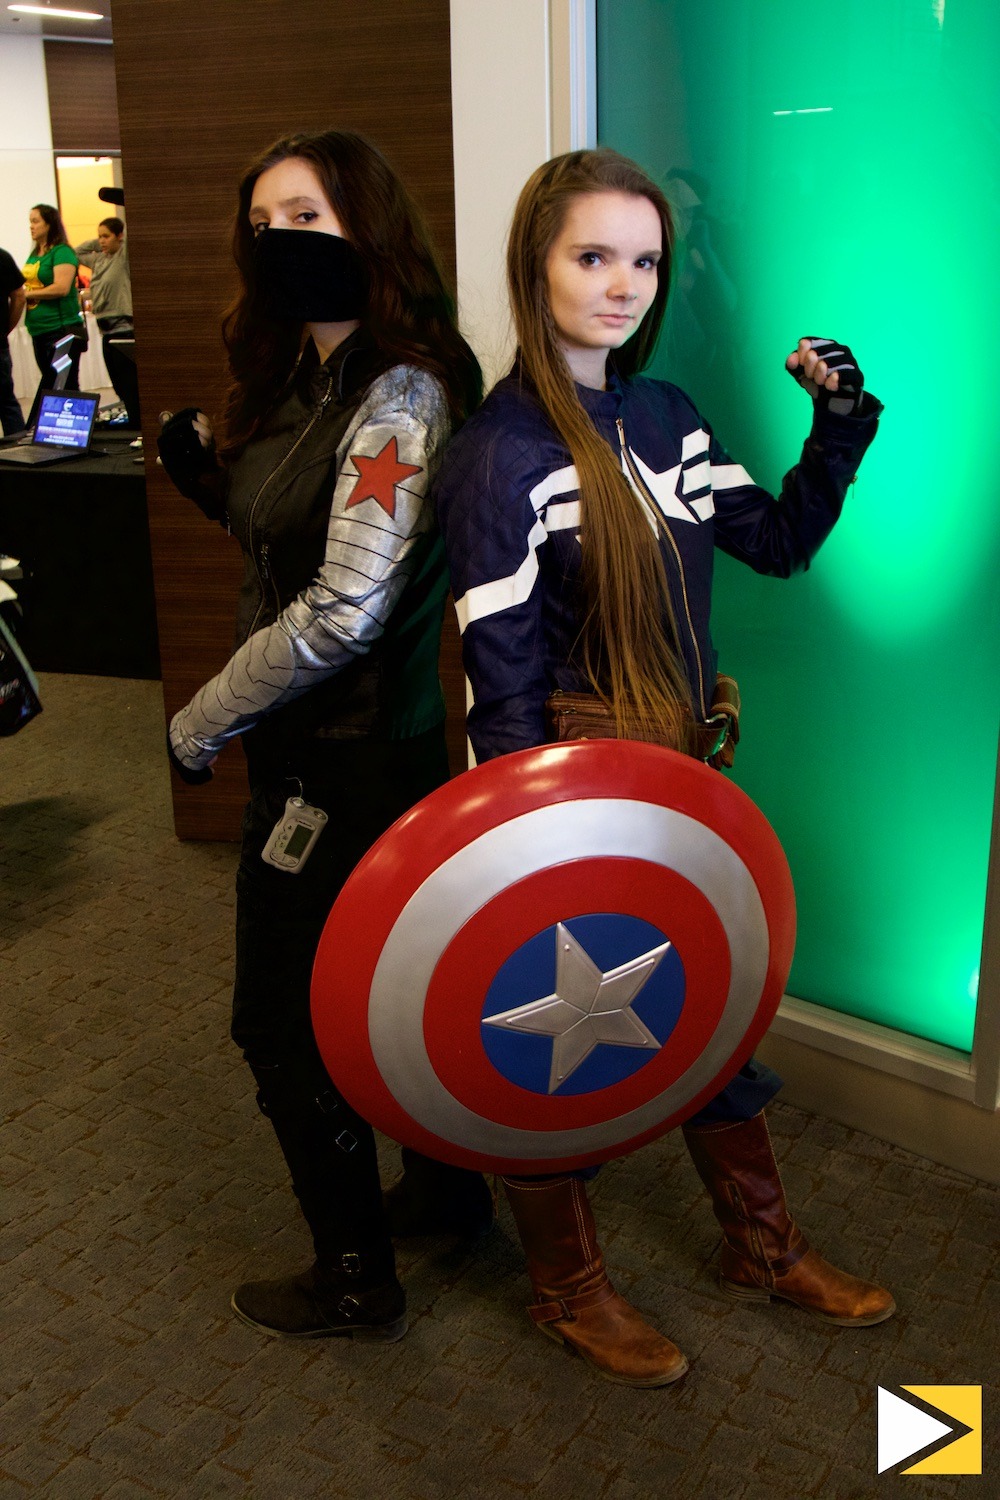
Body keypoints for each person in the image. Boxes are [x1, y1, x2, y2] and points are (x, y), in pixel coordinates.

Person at [434, 149, 895, 1387]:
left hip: (683, 789)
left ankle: (761, 1246)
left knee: (706, 1012)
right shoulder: (499, 455)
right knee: (554, 1044)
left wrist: (838, 424)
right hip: (568, 800)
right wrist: (524, 852)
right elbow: (500, 680)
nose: (622, 283)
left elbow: (779, 542)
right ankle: (567, 1288)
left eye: (643, 259)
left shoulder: (666, 416)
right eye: (591, 255)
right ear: (535, 265)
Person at [158, 130, 486, 1342]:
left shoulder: (398, 392)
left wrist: (201, 719)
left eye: (307, 215)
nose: (280, 239)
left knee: (281, 1021)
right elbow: (310, 545)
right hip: (332, 750)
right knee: (386, 988)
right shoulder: (312, 374)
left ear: (368, 224)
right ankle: (445, 1196)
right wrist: (214, 486)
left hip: (346, 760)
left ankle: (354, 1277)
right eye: (263, 222)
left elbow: (346, 609)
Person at [75, 216, 140, 426]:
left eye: (106, 236)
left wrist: (118, 241)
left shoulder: (123, 257)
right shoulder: (99, 260)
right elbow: (76, 253)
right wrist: (99, 243)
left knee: (129, 383)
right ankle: (131, 419)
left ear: (119, 236)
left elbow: (131, 239)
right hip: (105, 330)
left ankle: (137, 423)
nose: (102, 241)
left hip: (123, 328)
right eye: (99, 237)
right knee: (117, 383)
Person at [22, 204, 86, 394]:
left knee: (65, 385)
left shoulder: (62, 252)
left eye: (35, 221)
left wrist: (27, 295)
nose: (31, 226)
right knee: (51, 385)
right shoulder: (35, 254)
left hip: (60, 328)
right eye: (30, 222)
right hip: (38, 329)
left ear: (49, 224)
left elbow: (61, 288)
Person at [0, 245, 26, 435]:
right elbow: (19, 296)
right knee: (6, 402)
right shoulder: (2, 257)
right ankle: (18, 446)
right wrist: (5, 329)